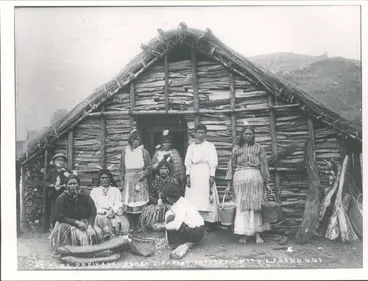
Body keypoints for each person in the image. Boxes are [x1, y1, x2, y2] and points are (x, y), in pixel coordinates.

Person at [225, 124, 272, 244]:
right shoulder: (236, 149)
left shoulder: (259, 148)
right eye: (245, 134)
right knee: (242, 207)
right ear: (242, 135)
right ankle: (244, 234)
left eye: (250, 134)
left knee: (256, 207)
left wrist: (267, 183)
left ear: (253, 135)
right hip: (239, 180)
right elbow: (231, 166)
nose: (247, 136)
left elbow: (264, 166)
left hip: (256, 180)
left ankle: (257, 234)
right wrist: (229, 185)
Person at [49, 174, 103, 250]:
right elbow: (60, 217)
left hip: (84, 221)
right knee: (69, 232)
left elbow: (92, 212)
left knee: (96, 231)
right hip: (66, 222)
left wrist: (90, 225)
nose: (72, 186)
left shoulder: (85, 196)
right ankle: (69, 250)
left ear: (78, 185)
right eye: (70, 184)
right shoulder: (61, 199)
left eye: (74, 183)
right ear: (66, 186)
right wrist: (76, 222)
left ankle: (92, 250)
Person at [153, 182, 205, 259]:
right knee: (171, 215)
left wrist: (163, 226)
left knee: (171, 219)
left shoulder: (179, 206)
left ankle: (176, 243)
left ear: (172, 197)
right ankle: (191, 242)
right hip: (201, 229)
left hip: (194, 231)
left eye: (168, 197)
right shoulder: (183, 200)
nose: (167, 199)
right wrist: (163, 224)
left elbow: (176, 225)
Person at [184, 123, 219, 232]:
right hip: (194, 173)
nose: (200, 134)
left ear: (206, 134)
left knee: (206, 196)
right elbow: (188, 161)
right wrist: (188, 175)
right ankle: (196, 222)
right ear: (195, 134)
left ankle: (208, 223)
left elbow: (213, 161)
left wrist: (212, 175)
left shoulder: (210, 146)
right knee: (194, 197)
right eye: (198, 132)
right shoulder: (191, 146)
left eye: (202, 133)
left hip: (205, 172)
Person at [120, 129, 151, 232]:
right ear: (130, 141)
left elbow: (148, 167)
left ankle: (140, 224)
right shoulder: (125, 152)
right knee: (130, 202)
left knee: (140, 202)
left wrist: (143, 175)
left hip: (140, 180)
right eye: (133, 139)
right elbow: (122, 168)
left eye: (137, 139)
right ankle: (132, 224)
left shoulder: (144, 152)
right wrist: (122, 181)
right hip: (128, 180)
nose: (136, 141)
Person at [138, 159, 179, 231]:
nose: (163, 171)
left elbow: (178, 196)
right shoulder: (155, 182)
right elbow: (151, 194)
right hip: (158, 205)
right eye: (161, 169)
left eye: (165, 169)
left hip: (170, 205)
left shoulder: (173, 181)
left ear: (168, 170)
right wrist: (156, 201)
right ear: (158, 170)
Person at [89, 169, 130, 236]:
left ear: (110, 179)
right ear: (99, 179)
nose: (104, 180)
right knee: (103, 229)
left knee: (116, 226)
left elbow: (119, 204)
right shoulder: (94, 191)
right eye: (102, 178)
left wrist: (112, 211)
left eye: (106, 178)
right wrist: (104, 212)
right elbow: (93, 206)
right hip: (99, 215)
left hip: (113, 214)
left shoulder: (115, 190)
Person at [151, 129, 186, 195]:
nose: (167, 144)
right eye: (165, 142)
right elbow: (152, 167)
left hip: (173, 179)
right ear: (162, 143)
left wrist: (180, 179)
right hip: (160, 179)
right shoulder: (158, 153)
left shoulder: (174, 152)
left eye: (168, 142)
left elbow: (179, 168)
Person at [44, 153, 72, 229]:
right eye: (58, 160)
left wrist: (67, 175)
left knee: (65, 210)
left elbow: (72, 179)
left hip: (64, 194)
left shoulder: (66, 171)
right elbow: (45, 182)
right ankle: (53, 227)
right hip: (54, 195)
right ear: (54, 162)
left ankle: (65, 227)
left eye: (62, 160)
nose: (60, 162)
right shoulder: (51, 172)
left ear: (64, 163)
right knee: (54, 211)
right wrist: (52, 185)